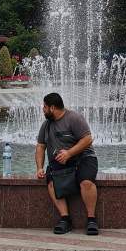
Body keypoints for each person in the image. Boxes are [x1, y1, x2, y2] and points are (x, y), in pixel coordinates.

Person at [35, 91, 99, 235]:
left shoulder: (74, 118)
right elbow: (40, 146)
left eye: (44, 107)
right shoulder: (46, 125)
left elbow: (88, 139)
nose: (42, 110)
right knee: (51, 181)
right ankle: (65, 219)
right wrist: (39, 168)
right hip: (61, 161)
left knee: (86, 182)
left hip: (84, 157)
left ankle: (91, 220)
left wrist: (69, 153)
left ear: (52, 108)